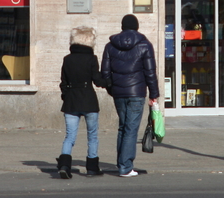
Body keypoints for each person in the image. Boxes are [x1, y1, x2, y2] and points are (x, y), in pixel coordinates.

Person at [101, 14, 160, 178]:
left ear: (122, 26)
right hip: (137, 92)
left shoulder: (110, 46)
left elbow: (105, 73)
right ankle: (125, 167)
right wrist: (153, 94)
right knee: (131, 129)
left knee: (122, 127)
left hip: (118, 93)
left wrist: (112, 89)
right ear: (137, 27)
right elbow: (150, 72)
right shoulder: (145, 45)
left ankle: (122, 163)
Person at [57, 26, 109, 179]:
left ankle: (65, 165)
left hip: (71, 102)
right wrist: (110, 81)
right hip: (89, 101)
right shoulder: (91, 59)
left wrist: (66, 96)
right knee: (92, 136)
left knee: (70, 136)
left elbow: (63, 83)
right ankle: (92, 168)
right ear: (90, 41)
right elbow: (98, 81)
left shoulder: (67, 59)